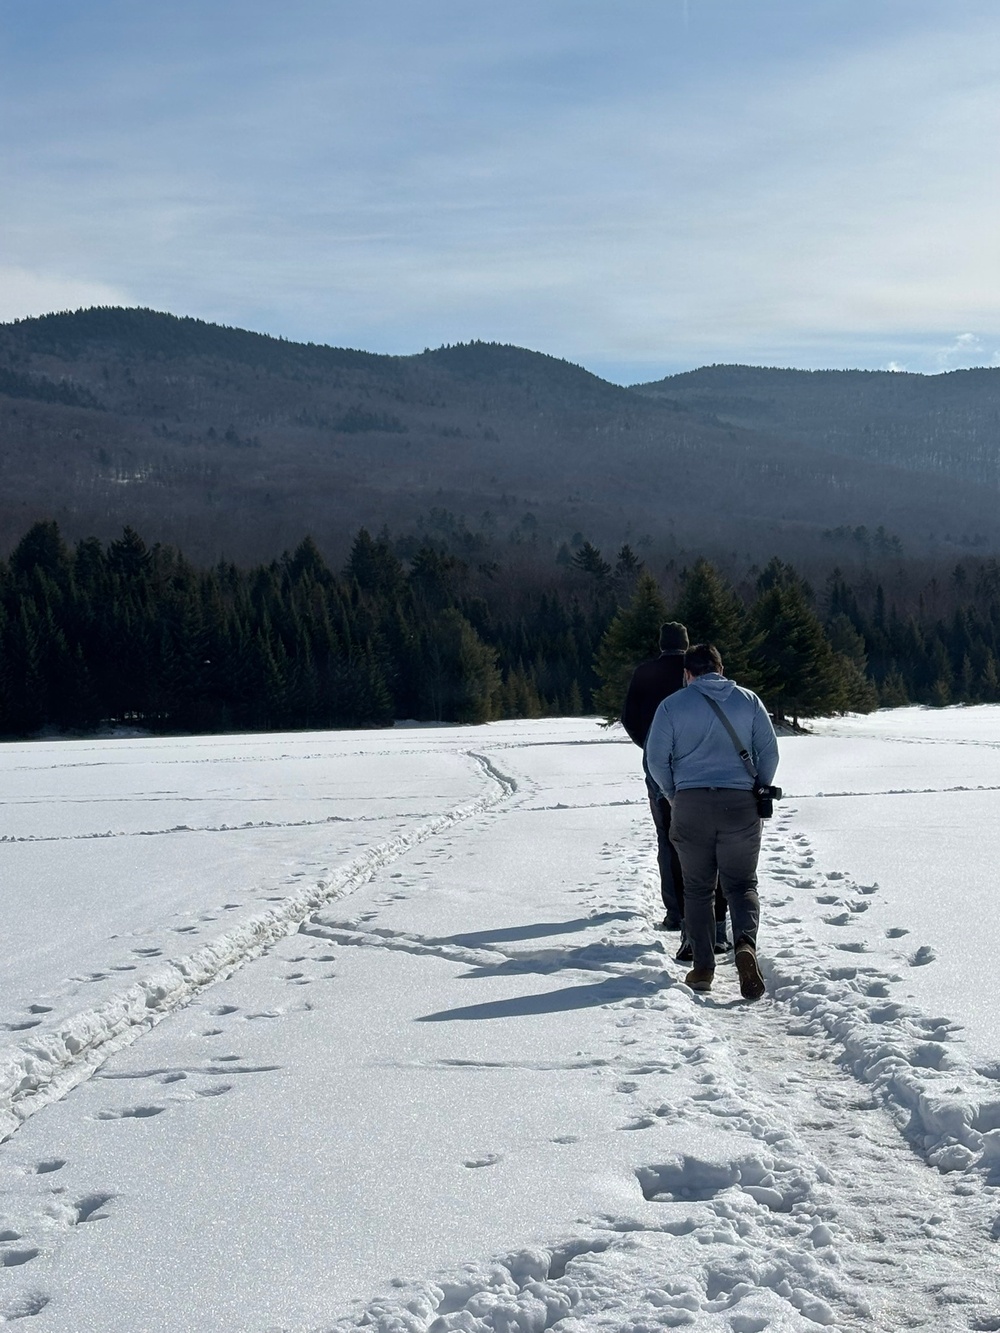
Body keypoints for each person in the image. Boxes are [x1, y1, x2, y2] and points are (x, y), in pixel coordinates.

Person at [644, 643, 778, 1000]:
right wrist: (758, 786)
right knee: (741, 884)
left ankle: (703, 965)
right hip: (740, 804)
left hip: (690, 804)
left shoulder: (672, 705)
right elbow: (769, 752)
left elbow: (656, 759)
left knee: (698, 888)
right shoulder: (748, 700)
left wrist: (673, 793)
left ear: (688, 674)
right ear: (721, 668)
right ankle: (745, 946)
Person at [621, 622, 729, 950]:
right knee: (708, 840)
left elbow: (628, 717)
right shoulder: (694, 673)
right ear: (686, 643)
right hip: (699, 764)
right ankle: (713, 915)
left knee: (667, 837)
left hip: (658, 765)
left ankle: (676, 912)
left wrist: (649, 745)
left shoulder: (644, 673)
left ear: (660, 643)